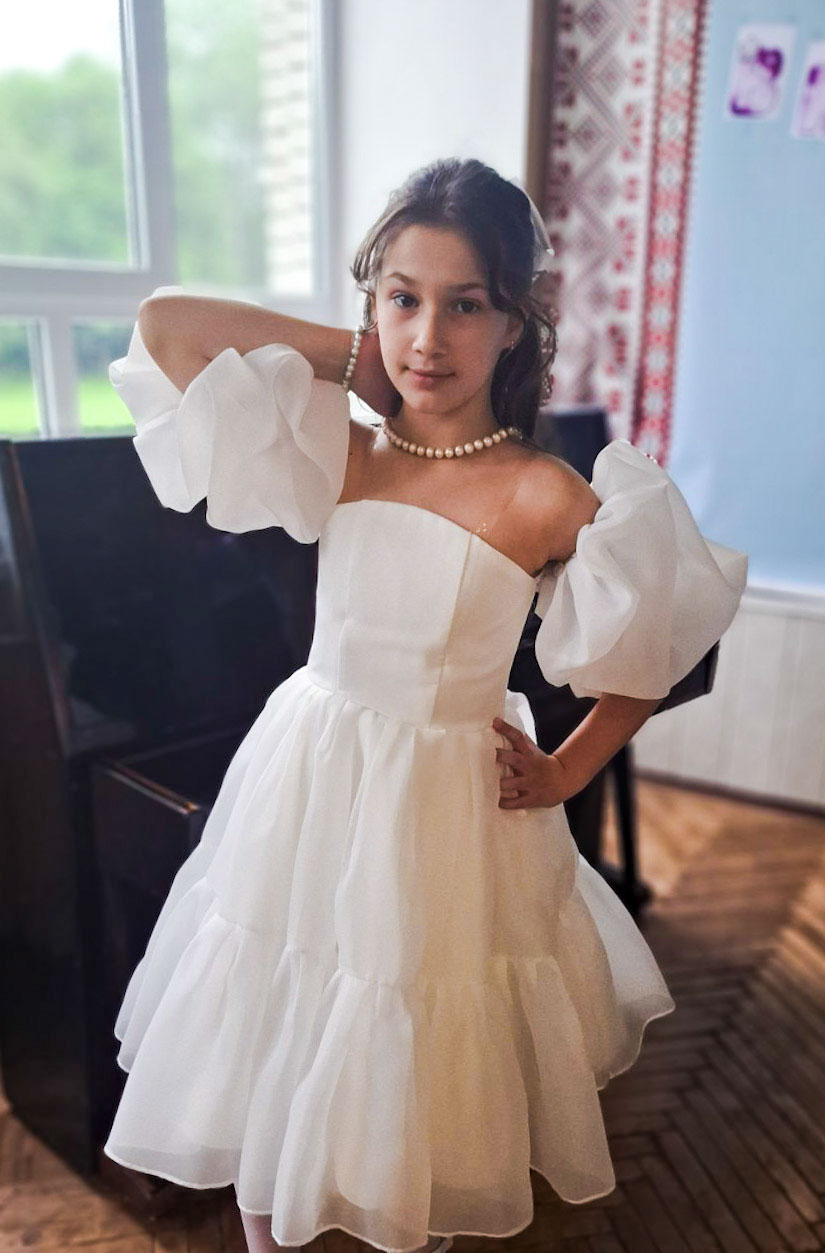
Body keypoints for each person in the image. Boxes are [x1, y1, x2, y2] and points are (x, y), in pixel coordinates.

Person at [103, 157, 748, 1253]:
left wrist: (567, 768)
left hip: (441, 814)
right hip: (309, 779)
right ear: (372, 305)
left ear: (514, 324)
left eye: (466, 305)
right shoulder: (345, 451)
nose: (428, 338)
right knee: (274, 1028)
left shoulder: (543, 492)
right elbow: (166, 326)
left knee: (419, 1060)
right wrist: (349, 354)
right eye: (403, 298)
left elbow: (652, 650)